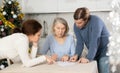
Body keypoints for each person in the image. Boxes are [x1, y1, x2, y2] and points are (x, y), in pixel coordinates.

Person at [69, 7, 110, 73]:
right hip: (94, 51)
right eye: (75, 22)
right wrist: (76, 55)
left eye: (79, 23)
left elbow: (94, 41)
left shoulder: (96, 21)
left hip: (105, 50)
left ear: (86, 20)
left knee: (102, 66)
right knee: (91, 68)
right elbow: (80, 43)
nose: (77, 25)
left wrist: (88, 58)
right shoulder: (76, 26)